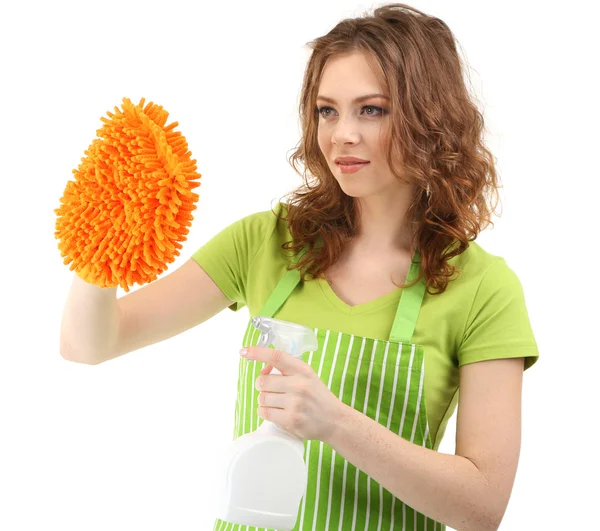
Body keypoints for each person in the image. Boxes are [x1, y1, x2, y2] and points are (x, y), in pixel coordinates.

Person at [60, 3, 539, 530]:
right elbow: (90, 345)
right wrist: (98, 244)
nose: (341, 135)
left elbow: (482, 507)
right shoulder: (267, 242)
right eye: (326, 111)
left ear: (430, 117)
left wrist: (334, 423)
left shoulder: (484, 289)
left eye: (372, 110)